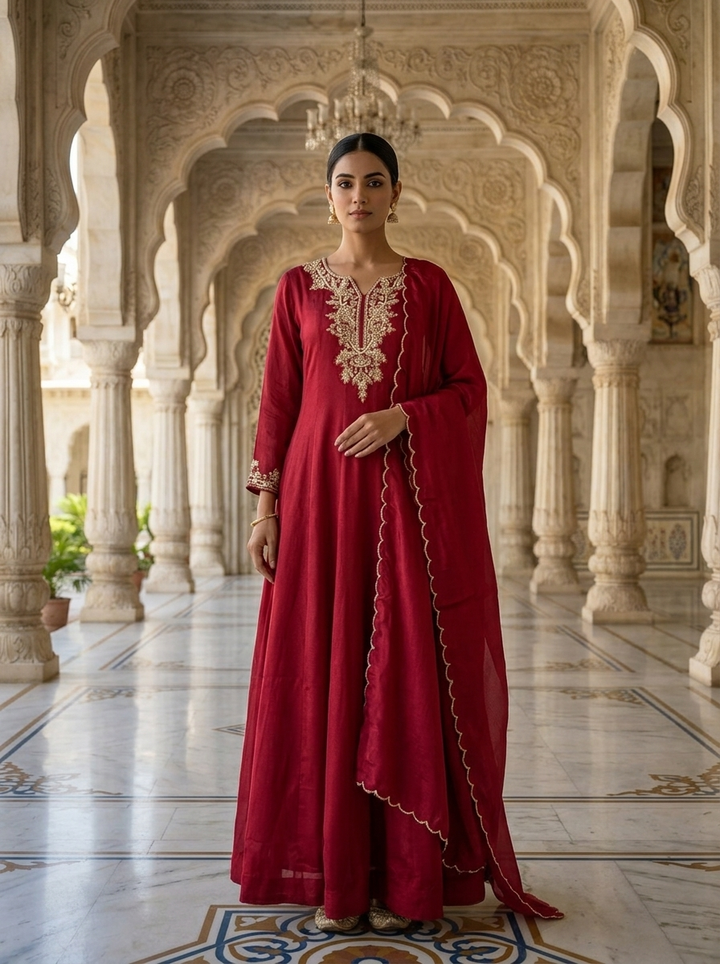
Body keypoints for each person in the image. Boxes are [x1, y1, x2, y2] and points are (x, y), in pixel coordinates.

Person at [231, 132, 561, 931]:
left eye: (374, 182)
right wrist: (265, 506)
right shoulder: (296, 289)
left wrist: (400, 417)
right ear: (328, 194)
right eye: (345, 182)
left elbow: (468, 392)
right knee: (322, 669)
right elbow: (277, 404)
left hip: (401, 511)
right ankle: (338, 877)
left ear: (396, 193)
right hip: (316, 507)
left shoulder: (430, 288)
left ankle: (411, 877)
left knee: (402, 664)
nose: (359, 195)